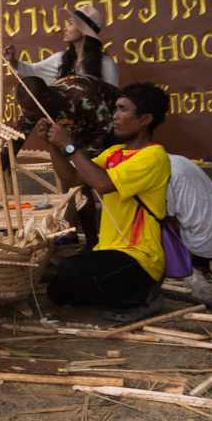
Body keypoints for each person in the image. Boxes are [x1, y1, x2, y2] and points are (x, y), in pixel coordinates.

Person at [42, 83, 172, 322]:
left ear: (145, 119)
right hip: (110, 252)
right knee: (57, 291)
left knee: (70, 269)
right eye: (115, 109)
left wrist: (69, 145)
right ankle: (116, 292)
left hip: (139, 257)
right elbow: (72, 179)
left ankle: (144, 297)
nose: (115, 116)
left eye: (123, 110)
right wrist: (52, 143)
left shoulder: (154, 157)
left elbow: (102, 184)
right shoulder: (114, 153)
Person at [0, 75, 118, 245]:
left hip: (109, 129)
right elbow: (13, 142)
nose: (27, 113)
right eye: (24, 109)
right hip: (80, 130)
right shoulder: (34, 105)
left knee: (85, 177)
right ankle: (86, 240)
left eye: (30, 109)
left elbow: (108, 129)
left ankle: (95, 243)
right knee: (77, 186)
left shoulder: (79, 96)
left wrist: (80, 157)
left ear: (47, 98)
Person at [5, 3, 119, 86]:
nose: (65, 28)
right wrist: (12, 61)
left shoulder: (106, 64)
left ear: (84, 31)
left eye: (70, 24)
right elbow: (33, 71)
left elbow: (112, 100)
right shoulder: (61, 59)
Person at [166, 154, 212, 266]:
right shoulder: (177, 159)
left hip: (200, 251)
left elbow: (167, 224)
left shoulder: (158, 170)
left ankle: (181, 264)